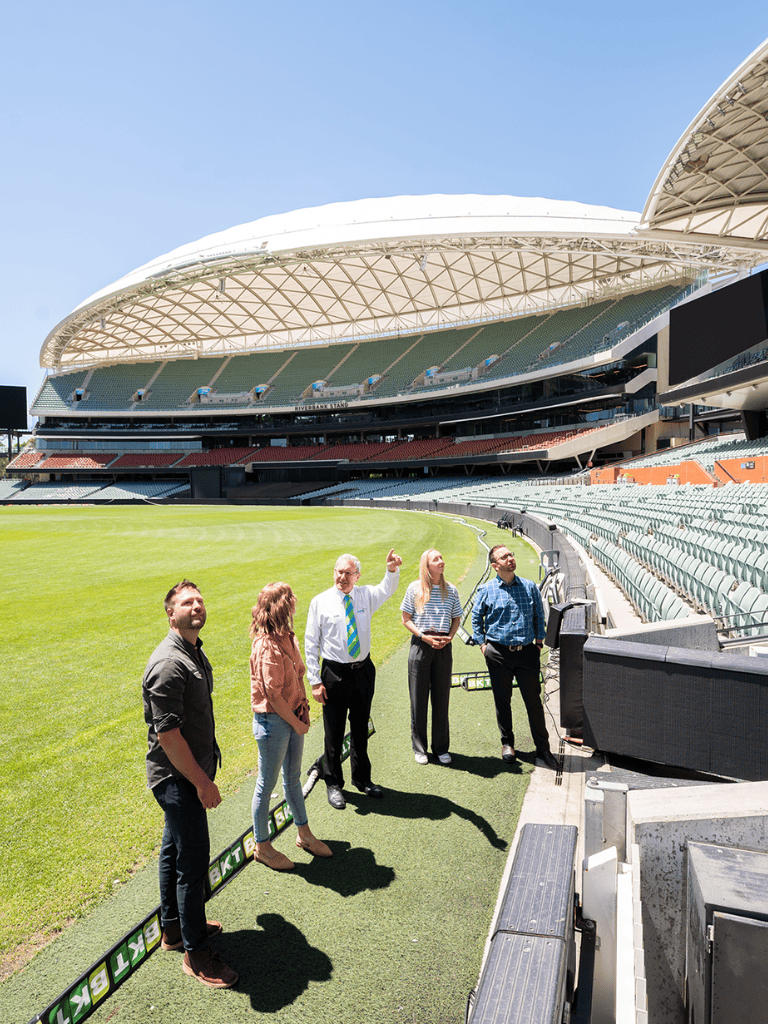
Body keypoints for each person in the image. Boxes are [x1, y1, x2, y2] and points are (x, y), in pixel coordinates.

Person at [142, 580, 238, 989]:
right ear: (170, 613)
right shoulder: (169, 663)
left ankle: (173, 930)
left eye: (199, 599)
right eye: (186, 602)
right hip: (178, 778)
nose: (196, 605)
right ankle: (196, 956)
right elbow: (169, 737)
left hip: (186, 774)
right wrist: (203, 783)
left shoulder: (191, 650)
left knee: (173, 850)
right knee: (193, 862)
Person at [305, 548, 402, 809]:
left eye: (348, 573)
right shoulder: (320, 601)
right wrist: (314, 681)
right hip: (334, 674)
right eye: (339, 572)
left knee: (360, 729)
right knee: (333, 733)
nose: (343, 577)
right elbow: (311, 643)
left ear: (357, 576)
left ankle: (363, 780)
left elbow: (387, 589)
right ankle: (334, 784)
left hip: (363, 672)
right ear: (333, 573)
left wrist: (391, 570)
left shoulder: (365, 595)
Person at [250, 581, 332, 870]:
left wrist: (303, 710)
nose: (296, 602)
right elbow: (272, 694)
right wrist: (296, 724)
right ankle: (262, 847)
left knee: (293, 778)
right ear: (283, 606)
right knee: (266, 785)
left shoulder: (287, 636)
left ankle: (304, 834)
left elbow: (296, 679)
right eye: (292, 599)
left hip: (292, 717)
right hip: (274, 722)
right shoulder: (266, 645)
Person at [471, 545, 560, 770]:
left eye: (511, 555)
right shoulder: (486, 590)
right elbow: (476, 619)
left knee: (534, 703)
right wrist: (483, 645)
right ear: (495, 566)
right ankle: (507, 744)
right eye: (504, 557)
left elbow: (540, 616)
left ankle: (543, 748)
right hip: (498, 654)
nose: (510, 559)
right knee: (503, 701)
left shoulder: (529, 587)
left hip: (527, 653)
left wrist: (539, 642)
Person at [400, 549, 462, 765]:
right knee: (418, 700)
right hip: (421, 646)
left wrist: (451, 637)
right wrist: (423, 637)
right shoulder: (414, 588)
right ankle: (419, 748)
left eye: (442, 558)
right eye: (436, 559)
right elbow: (406, 618)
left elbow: (456, 618)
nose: (441, 561)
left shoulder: (451, 590)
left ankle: (441, 747)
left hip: (443, 647)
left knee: (441, 698)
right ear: (427, 566)